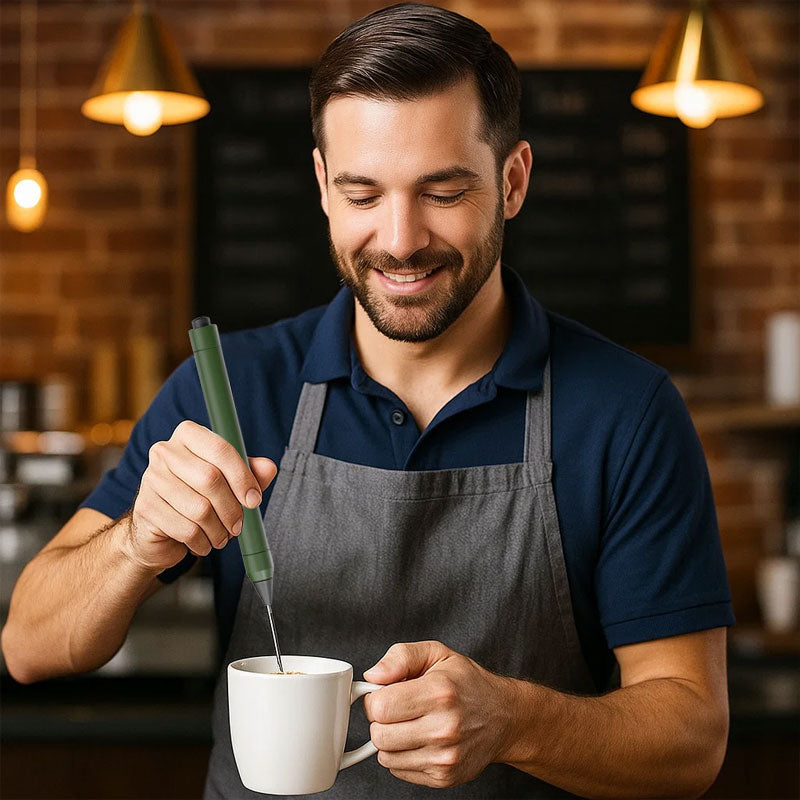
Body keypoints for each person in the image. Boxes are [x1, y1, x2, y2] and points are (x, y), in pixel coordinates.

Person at [1, 3, 735, 798]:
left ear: (513, 180)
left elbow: (691, 738)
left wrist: (518, 722)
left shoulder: (626, 411)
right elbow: (29, 645)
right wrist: (135, 543)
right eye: (362, 194)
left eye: (443, 192)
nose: (399, 238)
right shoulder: (235, 389)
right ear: (322, 185)